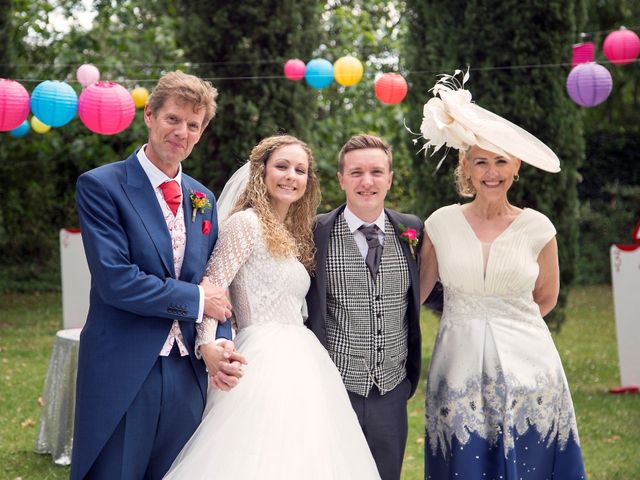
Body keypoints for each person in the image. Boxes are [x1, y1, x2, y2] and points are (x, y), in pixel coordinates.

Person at [164, 134, 381, 479]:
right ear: (261, 171)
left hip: (305, 359)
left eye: (300, 169)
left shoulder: (294, 233)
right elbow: (213, 288)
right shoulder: (244, 224)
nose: (291, 176)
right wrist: (207, 347)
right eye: (282, 166)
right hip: (260, 356)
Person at [71, 71, 244, 480]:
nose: (181, 132)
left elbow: (214, 278)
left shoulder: (203, 198)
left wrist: (219, 343)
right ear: (149, 115)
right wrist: (198, 300)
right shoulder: (102, 186)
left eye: (193, 125)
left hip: (187, 372)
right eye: (173, 119)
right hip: (127, 367)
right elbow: (117, 280)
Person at [416, 70, 586, 479]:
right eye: (481, 162)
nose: (491, 172)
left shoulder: (538, 228)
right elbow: (418, 293)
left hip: (530, 364)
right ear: (466, 167)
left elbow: (546, 296)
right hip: (457, 364)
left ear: (516, 167)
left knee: (530, 457)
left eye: (500, 162)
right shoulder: (439, 224)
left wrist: (508, 323)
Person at [306, 133, 429, 480]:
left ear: (390, 178)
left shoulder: (412, 230)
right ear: (341, 178)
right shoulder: (315, 232)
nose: (367, 181)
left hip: (391, 388)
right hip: (335, 386)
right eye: (356, 172)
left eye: (376, 172)